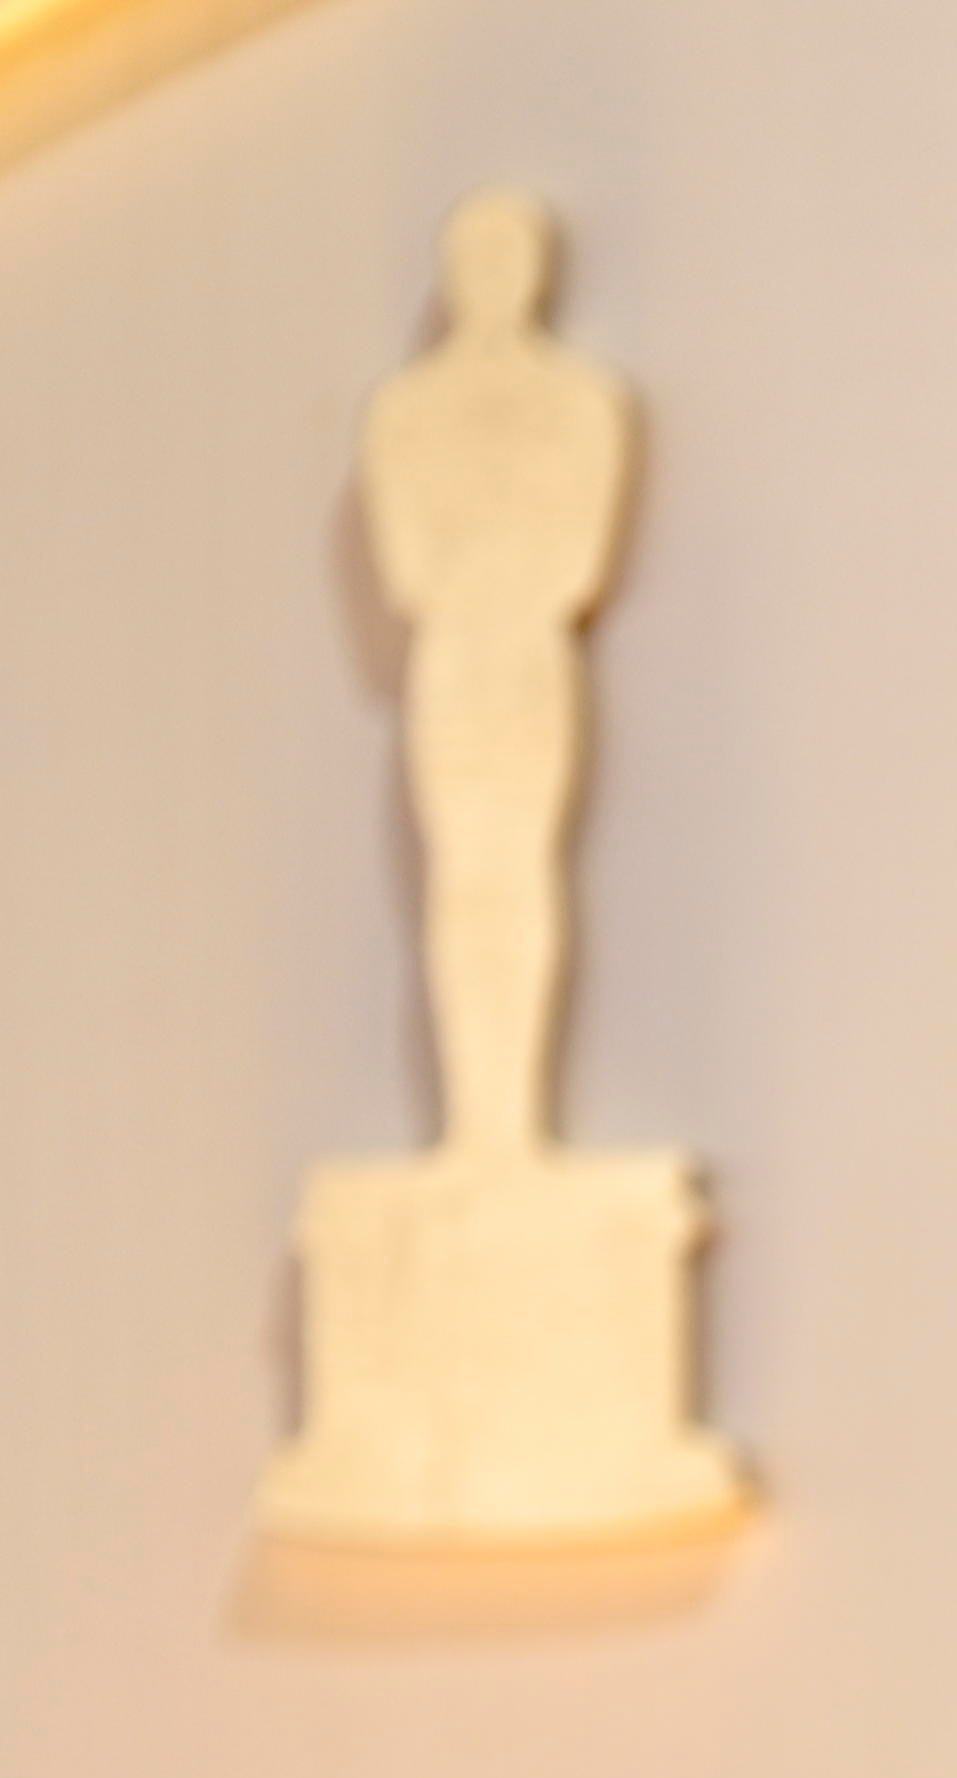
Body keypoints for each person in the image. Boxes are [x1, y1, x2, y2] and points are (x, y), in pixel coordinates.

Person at [362, 189, 639, 1160]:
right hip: (458, 659)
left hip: (524, 656)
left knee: (519, 871)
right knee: (460, 879)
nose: (492, 277)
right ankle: (474, 1122)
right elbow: (410, 566)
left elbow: (575, 558)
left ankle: (515, 1121)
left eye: (507, 256)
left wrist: (498, 572)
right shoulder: (408, 413)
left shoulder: (579, 405)